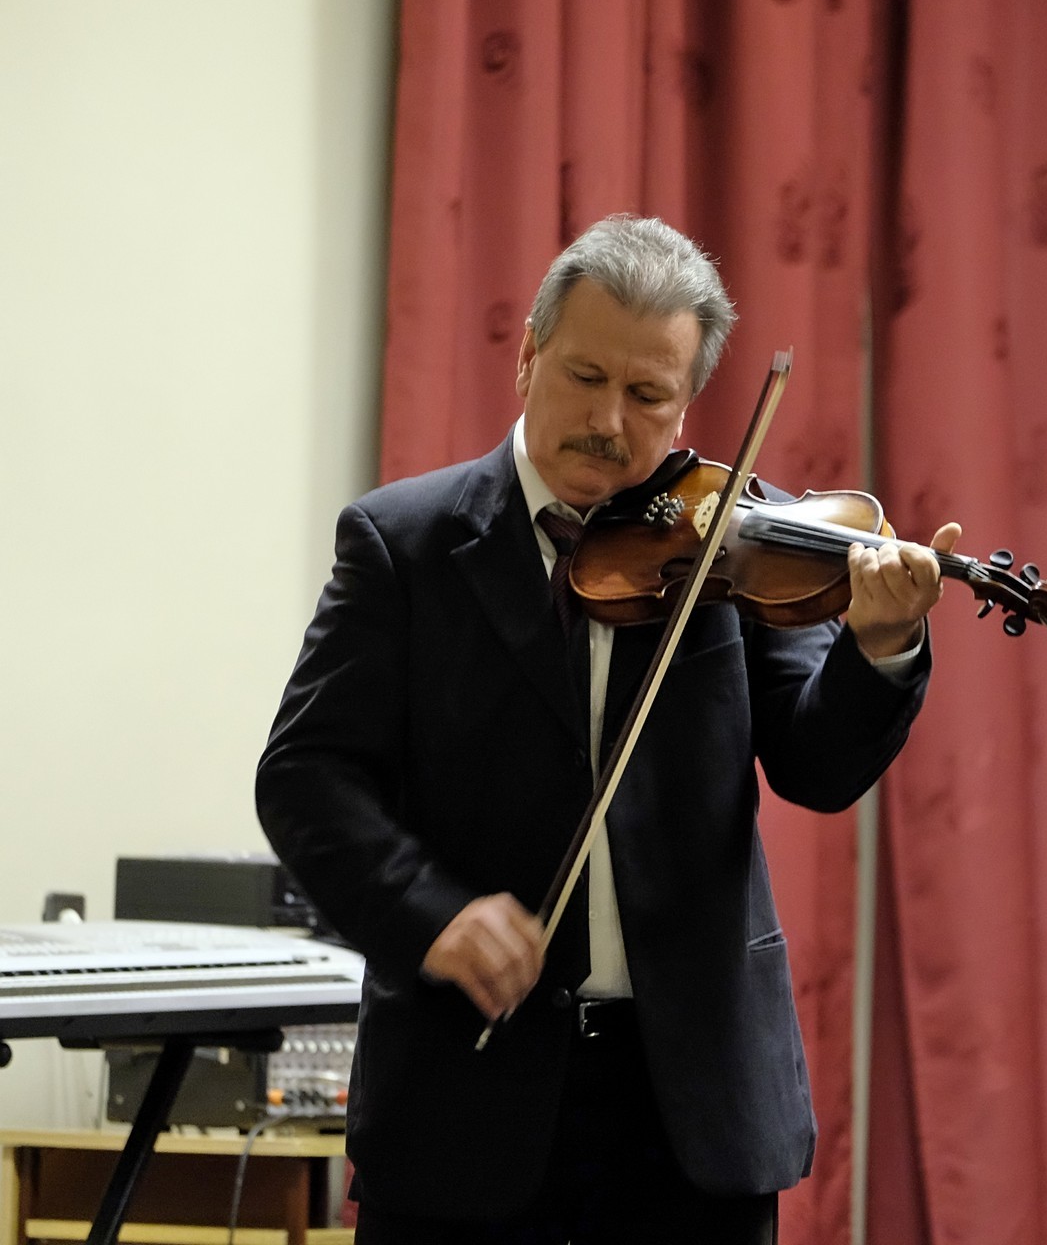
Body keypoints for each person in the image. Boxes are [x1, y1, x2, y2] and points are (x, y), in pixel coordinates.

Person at [258, 214, 959, 1243]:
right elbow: (306, 778)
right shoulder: (405, 545)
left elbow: (817, 763)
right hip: (467, 1102)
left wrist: (880, 644)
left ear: (685, 404)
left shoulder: (733, 534)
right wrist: (432, 913)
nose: (608, 420)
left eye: (647, 396)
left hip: (692, 1113)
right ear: (528, 357)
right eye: (585, 376)